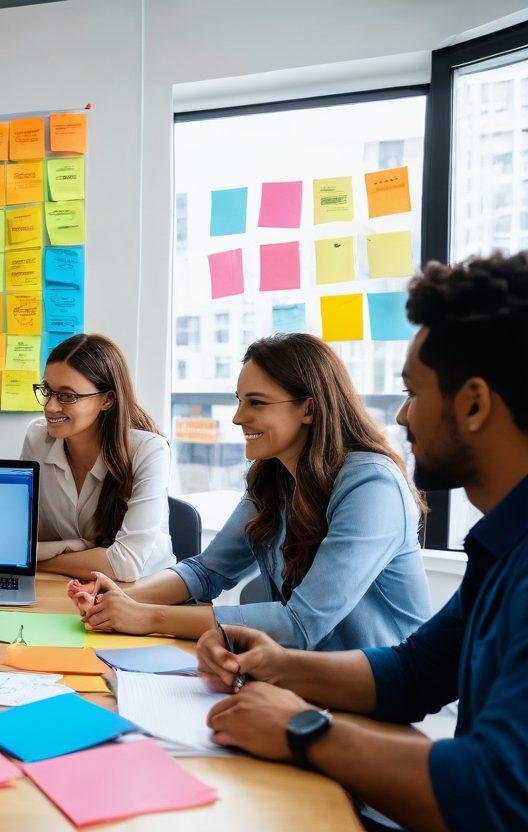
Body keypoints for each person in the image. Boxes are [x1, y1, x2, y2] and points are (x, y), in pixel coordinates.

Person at [196, 254, 528, 831]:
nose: (402, 415)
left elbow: (493, 790)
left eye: (413, 393)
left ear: (473, 403)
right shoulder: (501, 543)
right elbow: (412, 674)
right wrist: (278, 666)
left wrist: (302, 729)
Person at [72, 333, 430, 651]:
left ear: (309, 408)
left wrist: (149, 617)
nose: (237, 417)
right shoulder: (273, 478)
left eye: (256, 402)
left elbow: (301, 625)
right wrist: (117, 600)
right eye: (239, 400)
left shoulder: (372, 486)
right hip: (293, 676)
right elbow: (206, 572)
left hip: (368, 695)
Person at [21, 333, 173, 581]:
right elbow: (20, 538)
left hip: (143, 594)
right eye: (47, 390)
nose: (50, 406)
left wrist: (38, 560)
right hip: (69, 586)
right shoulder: (37, 438)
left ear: (107, 399)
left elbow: (125, 566)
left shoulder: (149, 451)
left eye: (67, 396)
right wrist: (81, 547)